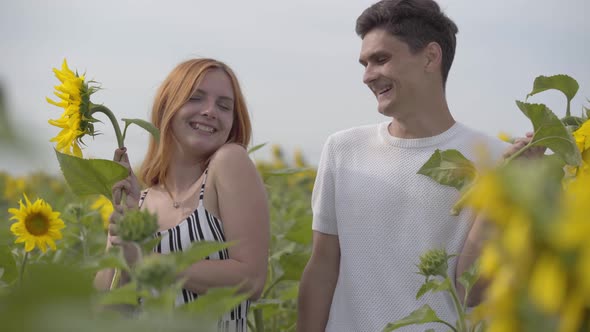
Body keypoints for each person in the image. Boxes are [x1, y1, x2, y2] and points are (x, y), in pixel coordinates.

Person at [296, 1, 538, 331]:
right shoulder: (343, 149)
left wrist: (514, 189)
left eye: (381, 59)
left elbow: (472, 289)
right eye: (365, 63)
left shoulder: (496, 160)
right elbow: (323, 268)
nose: (367, 76)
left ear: (430, 57)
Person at [94, 58, 270, 331]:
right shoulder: (140, 202)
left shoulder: (228, 163)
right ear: (167, 107)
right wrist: (123, 242)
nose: (210, 111)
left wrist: (148, 262)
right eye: (195, 98)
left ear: (233, 122)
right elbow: (110, 313)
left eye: (224, 106)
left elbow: (251, 280)